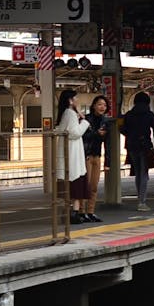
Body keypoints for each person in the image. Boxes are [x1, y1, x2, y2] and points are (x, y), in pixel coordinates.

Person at [54, 89, 90, 225]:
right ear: (70, 100)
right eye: (76, 98)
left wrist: (79, 115)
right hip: (73, 155)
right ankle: (74, 215)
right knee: (76, 184)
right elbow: (75, 133)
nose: (77, 100)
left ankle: (68, 213)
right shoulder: (70, 114)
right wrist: (85, 122)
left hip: (68, 153)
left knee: (68, 186)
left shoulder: (65, 113)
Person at [121, 92, 154, 212]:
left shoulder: (129, 115)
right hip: (145, 147)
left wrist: (130, 134)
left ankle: (140, 199)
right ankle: (142, 202)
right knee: (144, 173)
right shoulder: (149, 114)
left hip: (132, 146)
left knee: (138, 172)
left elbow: (122, 129)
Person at [80, 95, 110, 222]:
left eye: (104, 105)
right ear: (93, 106)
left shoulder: (105, 121)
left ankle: (91, 211)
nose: (102, 107)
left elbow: (107, 142)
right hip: (86, 155)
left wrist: (107, 161)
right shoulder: (86, 119)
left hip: (97, 156)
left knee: (94, 185)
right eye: (99, 104)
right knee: (84, 185)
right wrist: (96, 133)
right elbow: (82, 136)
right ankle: (81, 211)